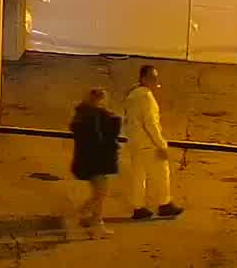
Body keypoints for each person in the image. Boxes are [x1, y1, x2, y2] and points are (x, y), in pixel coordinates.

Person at [123, 65, 183, 220]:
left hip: (135, 142)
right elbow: (151, 123)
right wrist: (161, 144)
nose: (155, 80)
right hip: (148, 143)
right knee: (162, 173)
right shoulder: (146, 97)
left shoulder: (132, 95)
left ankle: (138, 207)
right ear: (143, 78)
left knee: (139, 176)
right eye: (152, 77)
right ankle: (165, 204)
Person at [68, 87, 121, 234]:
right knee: (100, 193)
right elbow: (100, 139)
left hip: (87, 161)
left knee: (99, 193)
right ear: (99, 100)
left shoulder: (83, 114)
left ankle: (91, 220)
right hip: (96, 162)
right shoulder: (94, 116)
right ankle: (90, 221)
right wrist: (114, 120)